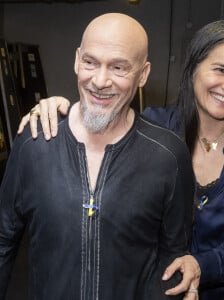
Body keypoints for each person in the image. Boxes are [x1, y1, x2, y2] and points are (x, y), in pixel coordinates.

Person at [18, 20, 224, 300]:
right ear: (193, 68)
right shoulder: (154, 129)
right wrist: (58, 110)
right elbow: (99, 117)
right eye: (220, 70)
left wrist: (202, 265)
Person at [0, 13, 198, 300]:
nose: (100, 81)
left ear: (143, 74)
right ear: (77, 59)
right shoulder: (34, 144)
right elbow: (3, 241)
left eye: (118, 67)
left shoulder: (168, 155)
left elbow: (173, 258)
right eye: (91, 62)